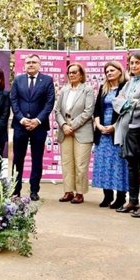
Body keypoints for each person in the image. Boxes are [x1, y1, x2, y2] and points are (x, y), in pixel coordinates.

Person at [112, 52, 140, 216]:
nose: (134, 66)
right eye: (131, 63)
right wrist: (133, 103)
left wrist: (129, 104)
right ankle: (133, 201)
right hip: (126, 127)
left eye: (137, 62)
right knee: (131, 166)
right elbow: (117, 100)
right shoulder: (130, 82)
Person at [10, 54, 56, 201]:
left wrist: (37, 120)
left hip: (39, 126)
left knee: (37, 159)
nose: (31, 64)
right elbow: (14, 101)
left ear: (39, 64)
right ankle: (15, 190)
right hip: (20, 125)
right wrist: (22, 119)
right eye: (28, 62)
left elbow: (49, 103)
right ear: (24, 65)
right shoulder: (18, 80)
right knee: (18, 159)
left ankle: (34, 190)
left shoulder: (47, 80)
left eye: (34, 62)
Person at [54, 63, 95, 204]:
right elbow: (57, 110)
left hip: (82, 131)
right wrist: (64, 125)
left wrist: (72, 125)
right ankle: (68, 191)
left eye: (74, 72)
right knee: (67, 162)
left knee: (81, 164)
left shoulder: (88, 90)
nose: (71, 75)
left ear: (81, 74)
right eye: (69, 73)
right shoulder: (64, 90)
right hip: (65, 131)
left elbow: (88, 111)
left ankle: (80, 193)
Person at [92, 61, 129, 209]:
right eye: (107, 71)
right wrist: (99, 125)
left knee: (118, 164)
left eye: (112, 70)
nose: (109, 73)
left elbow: (126, 111)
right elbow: (97, 109)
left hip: (117, 131)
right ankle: (107, 196)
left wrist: (114, 127)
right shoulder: (103, 88)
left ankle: (120, 198)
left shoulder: (125, 87)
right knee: (104, 163)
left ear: (120, 71)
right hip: (102, 132)